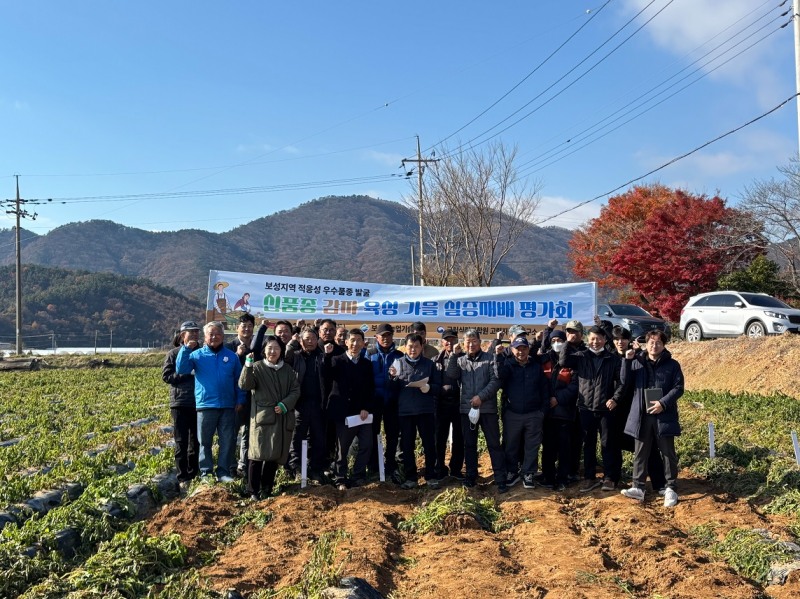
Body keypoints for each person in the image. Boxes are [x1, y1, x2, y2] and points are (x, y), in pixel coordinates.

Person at [621, 330, 684, 507]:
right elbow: (625, 381)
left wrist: (663, 403)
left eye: (658, 343)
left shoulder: (672, 365)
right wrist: (628, 360)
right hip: (642, 413)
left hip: (664, 414)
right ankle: (638, 487)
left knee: (667, 452)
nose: (654, 346)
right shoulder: (637, 362)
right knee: (641, 452)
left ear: (664, 345)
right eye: (651, 342)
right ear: (646, 344)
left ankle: (671, 487)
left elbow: (678, 388)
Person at [176, 321, 246, 482]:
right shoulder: (196, 355)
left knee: (227, 441)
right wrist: (186, 348)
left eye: (218, 334)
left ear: (223, 336)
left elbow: (239, 381)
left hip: (228, 406)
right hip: (206, 405)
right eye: (210, 334)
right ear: (205, 336)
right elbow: (181, 369)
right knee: (204, 442)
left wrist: (240, 399)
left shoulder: (231, 357)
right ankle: (206, 472)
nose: (214, 337)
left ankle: (223, 472)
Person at [559, 323, 624, 493]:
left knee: (607, 443)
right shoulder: (580, 356)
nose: (595, 342)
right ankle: (589, 477)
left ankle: (609, 477)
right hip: (585, 408)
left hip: (605, 409)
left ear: (604, 340)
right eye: (592, 338)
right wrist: (568, 341)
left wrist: (615, 398)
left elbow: (622, 382)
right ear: (587, 339)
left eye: (599, 338)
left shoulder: (613, 359)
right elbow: (563, 361)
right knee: (588, 444)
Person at [239, 335, 300, 500]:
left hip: (281, 418)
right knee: (256, 455)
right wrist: (247, 366)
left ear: (281, 351)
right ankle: (253, 491)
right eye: (269, 348)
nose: (273, 351)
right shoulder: (257, 367)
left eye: (276, 348)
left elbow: (295, 390)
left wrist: (285, 404)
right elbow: (245, 385)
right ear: (264, 350)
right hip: (262, 418)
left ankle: (267, 489)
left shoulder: (287, 370)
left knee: (274, 455)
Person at [446, 329, 504, 491]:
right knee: (469, 445)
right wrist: (453, 356)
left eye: (474, 341)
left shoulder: (489, 359)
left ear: (480, 342)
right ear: (464, 344)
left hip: (487, 409)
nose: (471, 345)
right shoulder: (461, 360)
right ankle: (471, 476)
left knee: (493, 444)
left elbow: (496, 381)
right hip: (467, 409)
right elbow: (451, 374)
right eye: (467, 342)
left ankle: (500, 478)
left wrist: (481, 397)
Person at [611, 326, 667, 493]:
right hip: (615, 410)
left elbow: (650, 365)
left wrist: (640, 353)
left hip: (636, 408)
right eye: (617, 339)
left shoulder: (639, 356)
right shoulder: (611, 357)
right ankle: (615, 479)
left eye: (624, 339)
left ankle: (659, 482)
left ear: (629, 340)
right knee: (614, 445)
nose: (620, 342)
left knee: (648, 447)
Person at [324, 329, 375, 489]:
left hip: (362, 414)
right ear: (346, 342)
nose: (355, 343)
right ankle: (340, 478)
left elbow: (370, 388)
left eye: (358, 340)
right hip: (343, 413)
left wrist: (366, 407)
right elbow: (325, 376)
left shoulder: (366, 364)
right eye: (352, 340)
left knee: (367, 444)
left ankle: (358, 475)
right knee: (342, 449)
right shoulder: (336, 360)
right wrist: (326, 356)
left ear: (363, 343)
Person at [498, 336, 551, 490]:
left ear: (528, 349)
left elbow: (544, 389)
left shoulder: (535, 366)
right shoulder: (508, 365)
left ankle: (528, 473)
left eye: (524, 348)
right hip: (513, 413)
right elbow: (499, 377)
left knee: (532, 445)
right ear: (512, 350)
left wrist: (543, 411)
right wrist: (499, 357)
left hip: (534, 413)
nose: (521, 351)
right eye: (517, 348)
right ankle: (512, 472)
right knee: (511, 445)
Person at [389, 333, 442, 490]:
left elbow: (438, 386)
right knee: (407, 445)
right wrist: (392, 378)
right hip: (405, 411)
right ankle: (411, 477)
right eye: (410, 346)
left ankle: (431, 476)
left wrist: (429, 388)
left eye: (416, 346)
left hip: (425, 410)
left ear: (421, 347)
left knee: (429, 444)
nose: (413, 349)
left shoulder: (429, 365)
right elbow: (392, 389)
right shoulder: (398, 363)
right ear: (405, 346)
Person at [162, 320, 201, 491]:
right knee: (181, 441)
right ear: (182, 335)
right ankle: (182, 476)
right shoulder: (173, 353)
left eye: (195, 332)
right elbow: (167, 376)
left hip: (199, 401)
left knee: (197, 441)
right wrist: (186, 374)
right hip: (180, 402)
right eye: (190, 332)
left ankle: (194, 473)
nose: (193, 335)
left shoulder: (202, 352)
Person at [287, 326, 329, 483]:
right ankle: (296, 468)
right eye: (306, 339)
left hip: (318, 405)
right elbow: (285, 357)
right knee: (297, 437)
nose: (310, 341)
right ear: (300, 340)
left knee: (318, 438)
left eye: (312, 338)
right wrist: (292, 343)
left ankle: (315, 469)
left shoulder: (323, 356)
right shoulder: (295, 357)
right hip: (300, 404)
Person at [539, 329, 578, 490]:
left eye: (560, 340)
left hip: (565, 411)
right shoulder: (543, 360)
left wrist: (558, 398)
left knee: (564, 447)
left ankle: (563, 477)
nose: (557, 343)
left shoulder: (573, 360)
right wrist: (547, 398)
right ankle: (548, 476)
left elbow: (576, 385)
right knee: (548, 446)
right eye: (553, 340)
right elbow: (539, 381)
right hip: (547, 412)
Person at [367, 323, 404, 482]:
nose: (386, 339)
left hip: (392, 401)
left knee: (393, 434)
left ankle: (390, 464)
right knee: (373, 433)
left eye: (389, 335)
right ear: (377, 337)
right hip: (374, 401)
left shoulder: (399, 355)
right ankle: (374, 465)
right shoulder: (369, 354)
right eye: (383, 336)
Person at [433, 329, 465, 481]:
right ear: (442, 342)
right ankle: (439, 468)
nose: (450, 342)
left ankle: (456, 469)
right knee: (439, 438)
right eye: (447, 340)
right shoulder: (436, 360)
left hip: (459, 404)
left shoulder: (464, 358)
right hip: (441, 405)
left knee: (460, 438)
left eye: (453, 339)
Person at [227, 314, 256, 478]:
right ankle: (230, 466)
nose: (246, 329)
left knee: (249, 435)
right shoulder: (230, 347)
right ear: (237, 328)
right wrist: (237, 356)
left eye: (249, 326)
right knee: (231, 434)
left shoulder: (258, 346)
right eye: (243, 326)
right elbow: (226, 372)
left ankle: (244, 466)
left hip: (253, 398)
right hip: (235, 399)